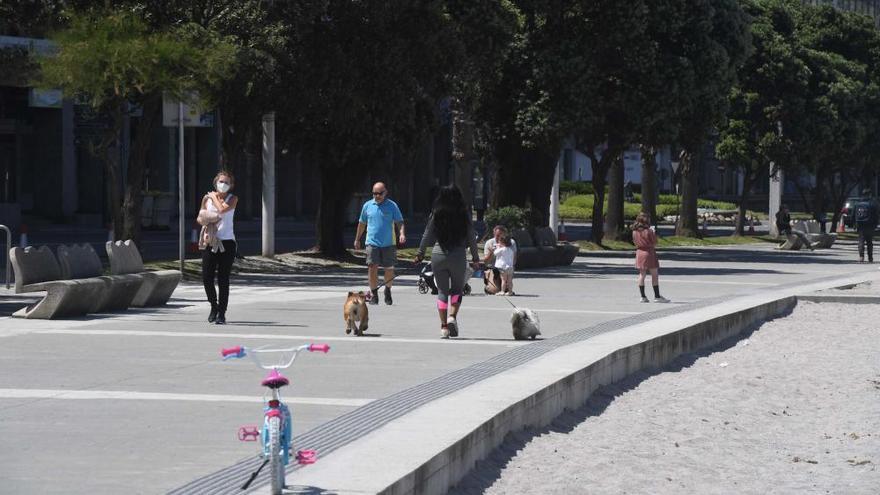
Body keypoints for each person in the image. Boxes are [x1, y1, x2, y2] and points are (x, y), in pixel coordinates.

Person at [415, 185, 480, 339]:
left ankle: (444, 327)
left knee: (442, 292)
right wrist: (476, 258)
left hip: (438, 255)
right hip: (458, 255)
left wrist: (420, 254)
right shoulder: (464, 215)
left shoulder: (436, 214)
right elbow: (471, 237)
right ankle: (452, 316)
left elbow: (426, 235)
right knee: (457, 290)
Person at [354, 182, 406, 305]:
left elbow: (400, 222)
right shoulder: (367, 205)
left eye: (380, 193)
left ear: (385, 192)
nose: (377, 196)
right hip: (372, 242)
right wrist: (357, 239)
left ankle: (387, 290)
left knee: (389, 269)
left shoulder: (392, 206)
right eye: (374, 193)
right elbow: (362, 223)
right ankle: (374, 294)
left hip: (388, 243)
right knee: (372, 268)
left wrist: (402, 234)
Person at [200, 171, 238, 324]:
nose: (223, 184)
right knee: (207, 277)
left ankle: (222, 313)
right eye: (221, 181)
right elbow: (200, 216)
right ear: (215, 182)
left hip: (227, 243)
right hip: (211, 242)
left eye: (227, 182)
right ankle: (213, 306)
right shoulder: (206, 199)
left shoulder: (232, 199)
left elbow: (222, 210)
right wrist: (205, 224)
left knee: (223, 279)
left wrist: (214, 197)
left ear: (231, 185)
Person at [632, 212, 668, 303]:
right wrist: (654, 233)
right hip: (649, 252)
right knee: (654, 274)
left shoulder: (634, 231)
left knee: (642, 275)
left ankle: (643, 296)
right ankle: (657, 296)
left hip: (639, 252)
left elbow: (635, 243)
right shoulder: (649, 231)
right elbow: (655, 242)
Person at [482, 225, 517, 293]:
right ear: (494, 234)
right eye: (497, 235)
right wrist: (491, 252)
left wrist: (510, 267)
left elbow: (514, 258)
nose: (499, 238)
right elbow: (486, 262)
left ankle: (507, 288)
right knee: (494, 290)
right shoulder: (489, 243)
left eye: (501, 235)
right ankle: (489, 284)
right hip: (493, 268)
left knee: (507, 285)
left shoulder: (511, 242)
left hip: (506, 268)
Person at [853, 189, 878, 263]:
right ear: (869, 195)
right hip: (870, 225)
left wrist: (854, 224)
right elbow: (876, 215)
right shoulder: (872, 204)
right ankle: (870, 257)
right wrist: (876, 224)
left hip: (860, 225)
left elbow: (853, 215)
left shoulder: (857, 204)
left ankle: (861, 257)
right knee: (869, 242)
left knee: (861, 241)